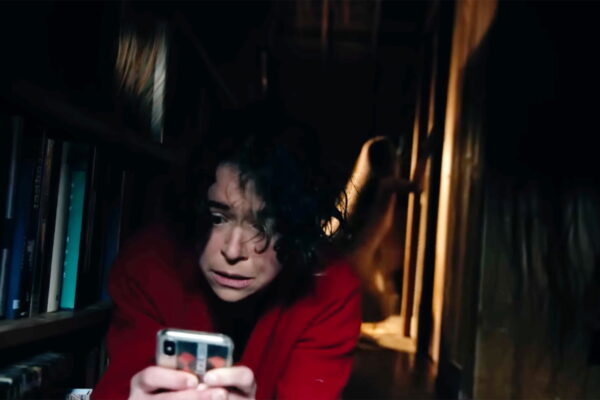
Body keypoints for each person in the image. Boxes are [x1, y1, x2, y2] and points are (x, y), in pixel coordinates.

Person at [92, 105, 361, 400]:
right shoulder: (148, 264)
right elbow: (118, 386)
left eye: (264, 225)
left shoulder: (330, 285)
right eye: (217, 218)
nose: (233, 251)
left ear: (297, 229)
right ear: (193, 209)